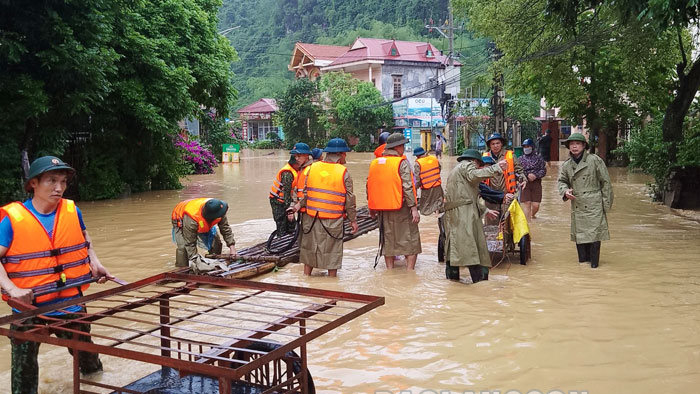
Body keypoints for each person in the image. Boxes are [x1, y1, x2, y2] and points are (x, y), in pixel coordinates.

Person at [0, 156, 114, 394]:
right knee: (23, 377)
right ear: (33, 183)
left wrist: (96, 263)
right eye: (52, 181)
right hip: (28, 309)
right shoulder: (12, 219)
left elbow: (85, 240)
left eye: (62, 181)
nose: (59, 188)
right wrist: (12, 289)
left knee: (89, 362)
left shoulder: (73, 210)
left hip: (71, 304)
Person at [295, 138, 358, 277]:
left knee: (310, 250)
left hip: (311, 218)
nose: (345, 157)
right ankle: (331, 282)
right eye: (345, 154)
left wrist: (297, 206)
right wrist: (353, 220)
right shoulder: (343, 172)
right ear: (341, 154)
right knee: (332, 253)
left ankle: (307, 279)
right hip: (332, 220)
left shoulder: (312, 168)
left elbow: (305, 194)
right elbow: (349, 200)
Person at [443, 150, 507, 283]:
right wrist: (496, 167)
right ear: (475, 161)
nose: (479, 168)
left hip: (455, 214)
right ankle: (480, 284)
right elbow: (473, 176)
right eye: (479, 165)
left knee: (455, 249)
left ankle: (453, 284)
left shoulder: (456, 171)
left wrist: (485, 210)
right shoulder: (468, 165)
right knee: (472, 247)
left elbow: (468, 197)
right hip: (464, 214)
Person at [557, 133, 613, 269]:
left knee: (594, 236)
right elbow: (562, 181)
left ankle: (594, 268)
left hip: (594, 204)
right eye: (572, 144)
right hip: (577, 204)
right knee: (580, 237)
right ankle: (583, 269)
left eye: (577, 143)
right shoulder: (567, 165)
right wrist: (565, 191)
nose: (574, 146)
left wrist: (606, 205)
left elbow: (606, 183)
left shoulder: (595, 161)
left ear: (583, 146)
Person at [367, 132, 421, 270]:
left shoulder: (375, 163)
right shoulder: (401, 162)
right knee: (411, 239)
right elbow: (408, 186)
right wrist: (414, 208)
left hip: (383, 210)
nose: (403, 149)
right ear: (397, 147)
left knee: (388, 241)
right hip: (401, 207)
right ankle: (410, 273)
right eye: (403, 145)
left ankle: (390, 271)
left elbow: (370, 186)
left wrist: (371, 209)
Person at [171, 198, 236, 267]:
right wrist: (195, 260)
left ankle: (212, 261)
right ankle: (182, 268)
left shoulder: (219, 209)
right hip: (181, 219)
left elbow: (225, 228)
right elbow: (190, 243)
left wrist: (232, 247)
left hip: (201, 219)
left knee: (216, 243)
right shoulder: (191, 220)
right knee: (183, 248)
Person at [269, 143, 310, 236]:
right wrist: (289, 210)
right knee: (281, 223)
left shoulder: (297, 171)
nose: (298, 161)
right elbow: (287, 193)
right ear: (294, 164)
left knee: (291, 224)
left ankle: (290, 237)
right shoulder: (288, 173)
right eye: (296, 158)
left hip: (286, 200)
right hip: (278, 201)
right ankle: (281, 240)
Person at [519, 138, 547, 218]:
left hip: (536, 183)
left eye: (528, 146)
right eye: (524, 146)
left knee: (536, 205)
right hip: (525, 183)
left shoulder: (539, 158)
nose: (526, 148)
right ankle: (528, 224)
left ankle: (532, 215)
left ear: (532, 147)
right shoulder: (520, 159)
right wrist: (526, 175)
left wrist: (536, 175)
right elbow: (517, 171)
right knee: (527, 203)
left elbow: (543, 170)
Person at [413, 147, 444, 216]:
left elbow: (417, 179)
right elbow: (439, 168)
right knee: (438, 203)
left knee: (425, 208)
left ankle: (434, 214)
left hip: (427, 188)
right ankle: (437, 213)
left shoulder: (417, 163)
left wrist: (415, 189)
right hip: (437, 185)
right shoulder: (434, 158)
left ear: (417, 155)